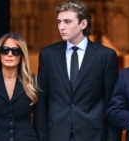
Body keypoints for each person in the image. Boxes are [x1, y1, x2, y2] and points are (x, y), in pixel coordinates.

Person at [37, 0, 121, 141]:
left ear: (83, 24)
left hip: (93, 135)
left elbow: (111, 103)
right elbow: (41, 102)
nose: (61, 27)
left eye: (67, 22)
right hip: (56, 134)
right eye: (59, 22)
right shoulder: (48, 55)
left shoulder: (105, 56)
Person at [0, 33, 47, 141]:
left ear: (22, 55)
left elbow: (41, 123)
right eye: (5, 50)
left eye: (15, 51)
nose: (10, 54)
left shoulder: (33, 82)